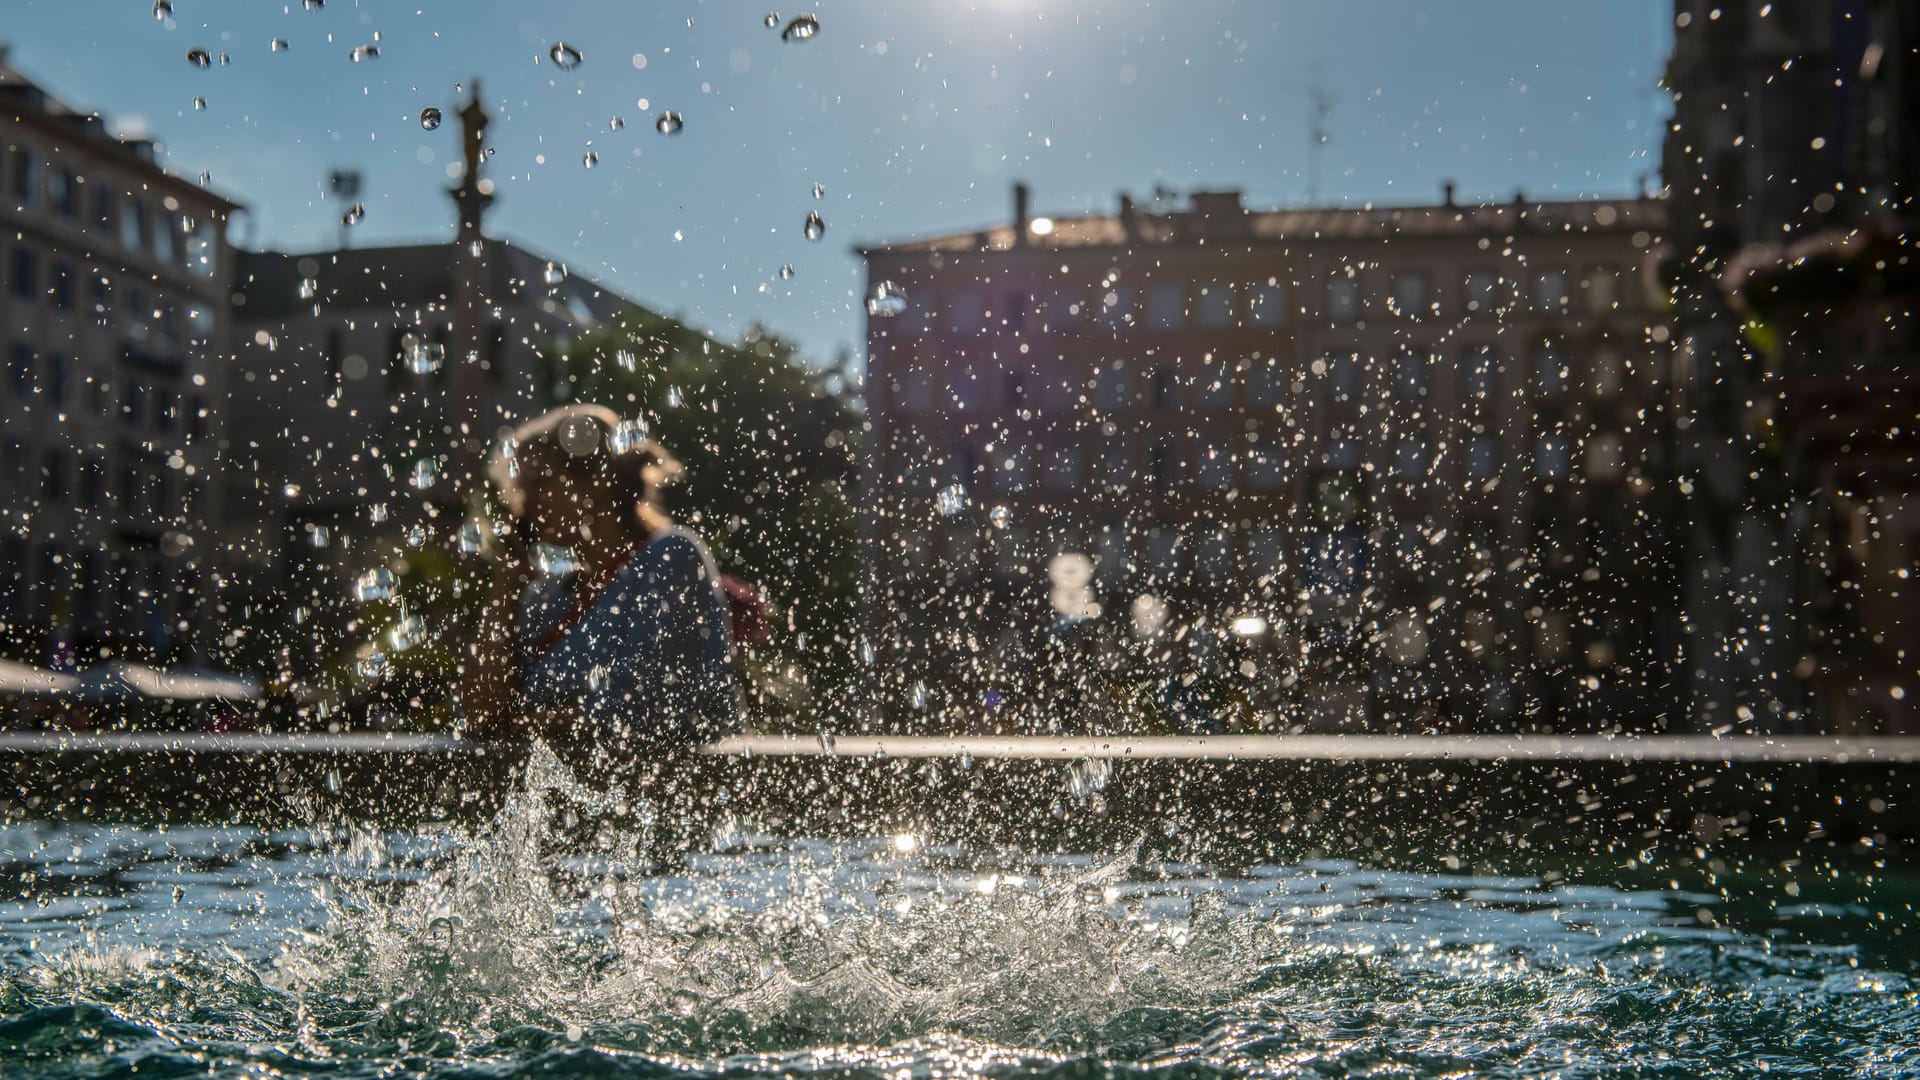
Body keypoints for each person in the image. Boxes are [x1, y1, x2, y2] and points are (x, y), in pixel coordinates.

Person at [460, 404, 741, 776]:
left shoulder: (670, 558)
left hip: (673, 794)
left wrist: (526, 720)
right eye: (521, 488)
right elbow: (481, 715)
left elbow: (638, 708)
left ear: (596, 482)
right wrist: (504, 589)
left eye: (540, 483)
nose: (524, 505)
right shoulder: (550, 596)